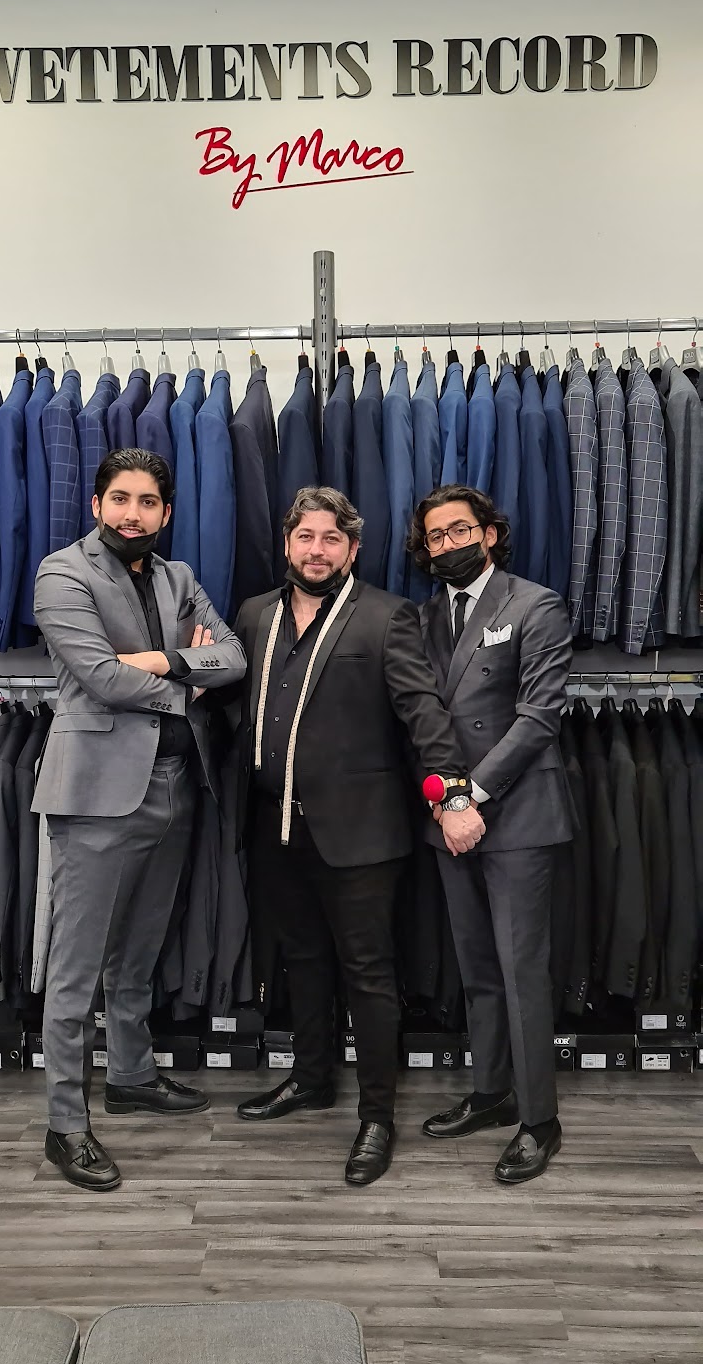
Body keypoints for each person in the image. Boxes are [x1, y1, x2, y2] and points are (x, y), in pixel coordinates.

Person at [232, 486, 482, 1187]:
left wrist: (451, 794)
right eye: (306, 537)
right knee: (302, 961)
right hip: (274, 824)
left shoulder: (385, 616)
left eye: (331, 539)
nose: (317, 551)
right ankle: (312, 1079)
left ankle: (377, 1117)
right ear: (287, 542)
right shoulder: (254, 615)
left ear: (353, 549)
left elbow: (423, 714)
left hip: (361, 833)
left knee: (369, 976)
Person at [32, 448, 246, 1192]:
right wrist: (188, 674)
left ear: (166, 511)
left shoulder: (178, 577)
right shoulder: (63, 573)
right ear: (97, 505)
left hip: (178, 784)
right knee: (76, 965)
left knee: (140, 948)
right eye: (120, 498)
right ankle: (65, 1124)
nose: (133, 513)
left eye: (148, 501)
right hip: (97, 790)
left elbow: (234, 656)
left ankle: (129, 1074)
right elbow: (98, 676)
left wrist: (160, 662)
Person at [411, 485, 574, 1184]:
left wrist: (471, 795)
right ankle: (490, 1093)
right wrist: (446, 801)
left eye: (460, 530)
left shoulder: (535, 605)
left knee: (521, 972)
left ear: (490, 533)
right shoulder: (423, 616)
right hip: (449, 817)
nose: (449, 544)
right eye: (436, 536)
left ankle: (540, 1121)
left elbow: (539, 717)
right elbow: (421, 715)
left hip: (516, 814)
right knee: (476, 969)